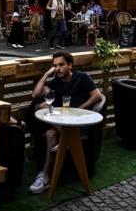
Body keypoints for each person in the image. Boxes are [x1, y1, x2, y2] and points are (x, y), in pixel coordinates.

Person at [28, 51, 102, 194]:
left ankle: (64, 143)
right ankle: (44, 176)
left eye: (61, 65)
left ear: (70, 65)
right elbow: (35, 95)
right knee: (47, 126)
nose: (58, 69)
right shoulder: (56, 82)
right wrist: (46, 75)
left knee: (44, 118)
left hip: (78, 123)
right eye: (55, 66)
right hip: (62, 121)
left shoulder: (82, 77)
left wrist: (79, 110)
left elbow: (97, 96)